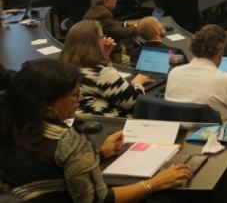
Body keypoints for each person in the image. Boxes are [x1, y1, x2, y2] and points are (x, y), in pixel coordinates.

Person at [0, 59, 192, 202]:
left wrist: (98, 154)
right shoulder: (68, 142)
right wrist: (154, 183)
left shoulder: (11, 124)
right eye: (74, 95)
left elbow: (46, 170)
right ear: (49, 106)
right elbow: (98, 200)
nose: (80, 99)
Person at [165, 24, 227, 123]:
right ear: (219, 51)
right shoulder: (226, 81)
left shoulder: (174, 73)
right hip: (218, 138)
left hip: (177, 137)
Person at [60, 20, 152, 117]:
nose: (105, 40)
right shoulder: (100, 73)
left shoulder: (65, 66)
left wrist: (104, 56)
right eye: (102, 37)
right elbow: (134, 103)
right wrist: (137, 83)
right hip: (113, 123)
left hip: (82, 120)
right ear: (93, 43)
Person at [82, 0, 139, 64]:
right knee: (134, 62)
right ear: (106, 2)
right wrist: (138, 27)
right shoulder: (103, 14)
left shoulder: (95, 9)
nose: (116, 1)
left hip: (95, 49)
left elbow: (111, 23)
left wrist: (126, 23)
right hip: (106, 54)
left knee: (124, 47)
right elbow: (121, 33)